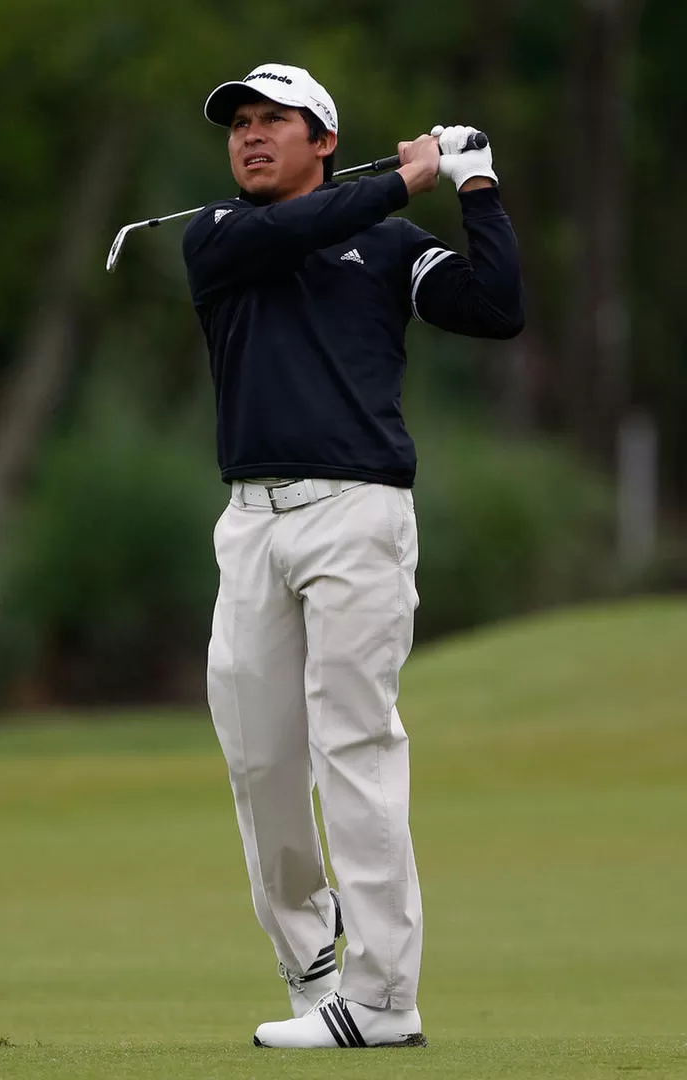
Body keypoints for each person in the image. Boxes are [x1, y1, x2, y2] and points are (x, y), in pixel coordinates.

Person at [182, 62, 523, 1050]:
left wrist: (476, 185)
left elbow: (495, 306)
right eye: (239, 123)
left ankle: (383, 1001)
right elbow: (297, 232)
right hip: (249, 523)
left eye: (273, 121)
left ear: (323, 140)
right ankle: (313, 968)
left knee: (354, 749)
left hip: (359, 515)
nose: (250, 136)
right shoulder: (219, 237)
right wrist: (406, 178)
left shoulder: (387, 246)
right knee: (261, 760)